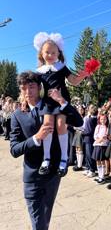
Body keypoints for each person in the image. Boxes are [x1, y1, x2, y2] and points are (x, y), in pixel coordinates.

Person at [10, 71, 83, 230]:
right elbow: (14, 149)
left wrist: (62, 100)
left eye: (31, 87)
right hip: (32, 177)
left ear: (39, 87)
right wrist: (36, 138)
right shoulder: (17, 115)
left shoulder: (52, 106)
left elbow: (79, 121)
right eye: (24, 88)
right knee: (39, 223)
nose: (28, 92)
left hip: (53, 176)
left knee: (46, 216)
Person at [33, 32, 96, 176]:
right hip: (48, 102)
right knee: (48, 126)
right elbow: (35, 88)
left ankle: (64, 158)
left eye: (53, 52)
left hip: (61, 100)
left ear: (58, 53)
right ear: (42, 54)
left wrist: (83, 75)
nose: (50, 54)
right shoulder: (38, 71)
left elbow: (73, 80)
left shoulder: (62, 67)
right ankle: (46, 158)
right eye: (47, 52)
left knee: (61, 126)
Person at [92, 114, 109, 184]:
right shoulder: (98, 126)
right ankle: (99, 176)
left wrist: (102, 140)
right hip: (97, 145)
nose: (103, 120)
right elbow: (95, 135)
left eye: (104, 119)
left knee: (102, 161)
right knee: (97, 160)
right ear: (99, 120)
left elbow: (106, 137)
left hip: (103, 146)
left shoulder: (107, 127)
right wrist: (98, 140)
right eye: (101, 119)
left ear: (106, 120)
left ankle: (102, 177)